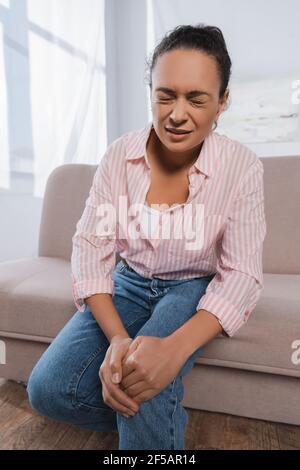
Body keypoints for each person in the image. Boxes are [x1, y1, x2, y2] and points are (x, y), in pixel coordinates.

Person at [26, 24, 267, 450]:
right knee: (46, 390)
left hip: (192, 286)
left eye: (196, 98)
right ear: (151, 91)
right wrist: (119, 338)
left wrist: (173, 351)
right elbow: (91, 247)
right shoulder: (120, 154)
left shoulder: (242, 166)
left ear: (222, 102)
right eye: (165, 95)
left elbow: (242, 274)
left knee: (146, 377)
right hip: (129, 282)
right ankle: (162, 419)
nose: (177, 114)